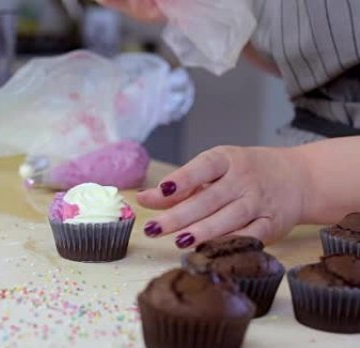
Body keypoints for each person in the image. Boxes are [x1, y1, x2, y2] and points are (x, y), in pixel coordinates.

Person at [97, 0, 360, 248]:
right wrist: (199, 9)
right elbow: (309, 64)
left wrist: (303, 178)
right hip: (289, 218)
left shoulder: (295, 181)